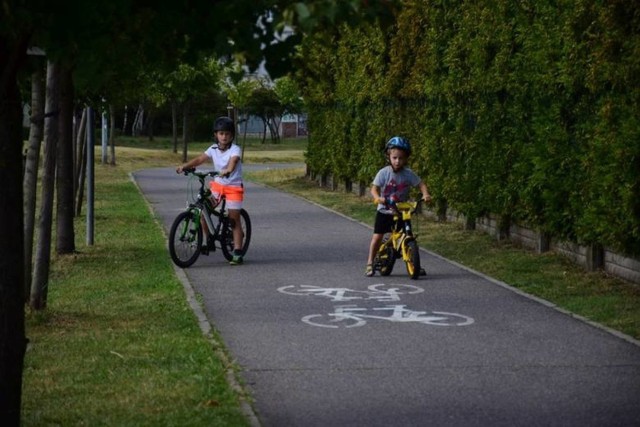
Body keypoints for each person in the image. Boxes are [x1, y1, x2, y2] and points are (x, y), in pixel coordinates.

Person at [176, 116, 245, 265]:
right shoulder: (213, 149)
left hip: (233, 188)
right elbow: (200, 159)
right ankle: (209, 241)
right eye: (221, 133)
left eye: (227, 134)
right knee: (202, 210)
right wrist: (185, 166)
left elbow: (233, 162)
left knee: (234, 220)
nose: (224, 137)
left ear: (232, 135)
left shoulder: (235, 149)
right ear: (216, 135)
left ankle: (238, 251)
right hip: (218, 188)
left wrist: (228, 170)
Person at [365, 136, 431, 277]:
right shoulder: (384, 173)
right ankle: (370, 263)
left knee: (409, 234)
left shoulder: (408, 174)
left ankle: (414, 263)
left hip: (402, 210)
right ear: (389, 156)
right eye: (394, 157)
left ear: (406, 158)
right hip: (384, 210)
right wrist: (378, 198)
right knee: (377, 237)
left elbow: (421, 184)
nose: (397, 161)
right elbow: (374, 189)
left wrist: (425, 194)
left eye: (401, 158)